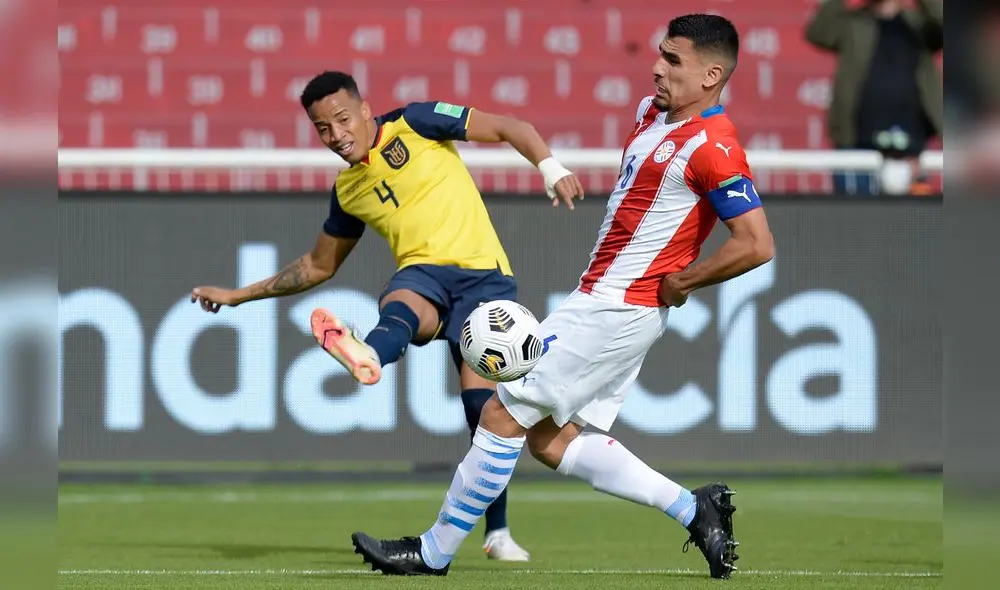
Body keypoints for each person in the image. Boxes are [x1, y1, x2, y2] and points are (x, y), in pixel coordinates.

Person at [349, 13, 774, 579]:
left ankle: (432, 553)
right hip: (599, 298)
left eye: (674, 60)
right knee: (547, 440)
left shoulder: (714, 146)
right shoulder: (652, 114)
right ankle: (694, 508)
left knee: (500, 415)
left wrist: (683, 280)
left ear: (712, 75)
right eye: (660, 54)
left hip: (620, 307)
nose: (657, 67)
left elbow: (756, 243)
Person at [189, 71, 585, 562]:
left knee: (483, 416)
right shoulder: (348, 190)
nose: (336, 136)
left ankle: (497, 532)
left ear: (364, 108)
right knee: (401, 304)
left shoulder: (415, 123)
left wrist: (550, 167)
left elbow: (508, 126)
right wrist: (237, 295)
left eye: (341, 120)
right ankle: (367, 354)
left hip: (485, 285)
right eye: (322, 129)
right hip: (423, 277)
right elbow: (318, 265)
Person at [805, 0, 943, 195]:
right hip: (856, 144)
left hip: (911, 145)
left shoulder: (918, 23)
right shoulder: (853, 23)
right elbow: (818, 33)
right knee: (854, 221)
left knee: (910, 223)